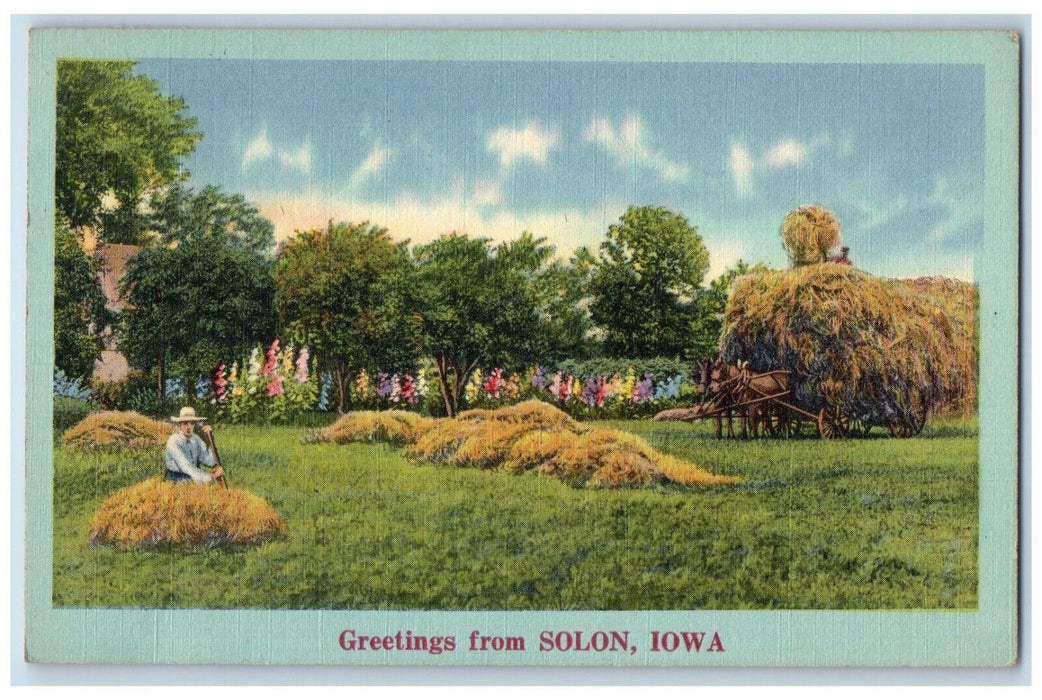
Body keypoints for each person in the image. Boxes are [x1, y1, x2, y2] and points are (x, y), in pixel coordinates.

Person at [165, 406, 225, 484]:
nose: (189, 427)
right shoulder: (173, 441)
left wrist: (210, 439)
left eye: (192, 423)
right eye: (185, 423)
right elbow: (186, 467)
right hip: (176, 479)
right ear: (179, 424)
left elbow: (210, 460)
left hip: (194, 477)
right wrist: (211, 477)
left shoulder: (196, 439)